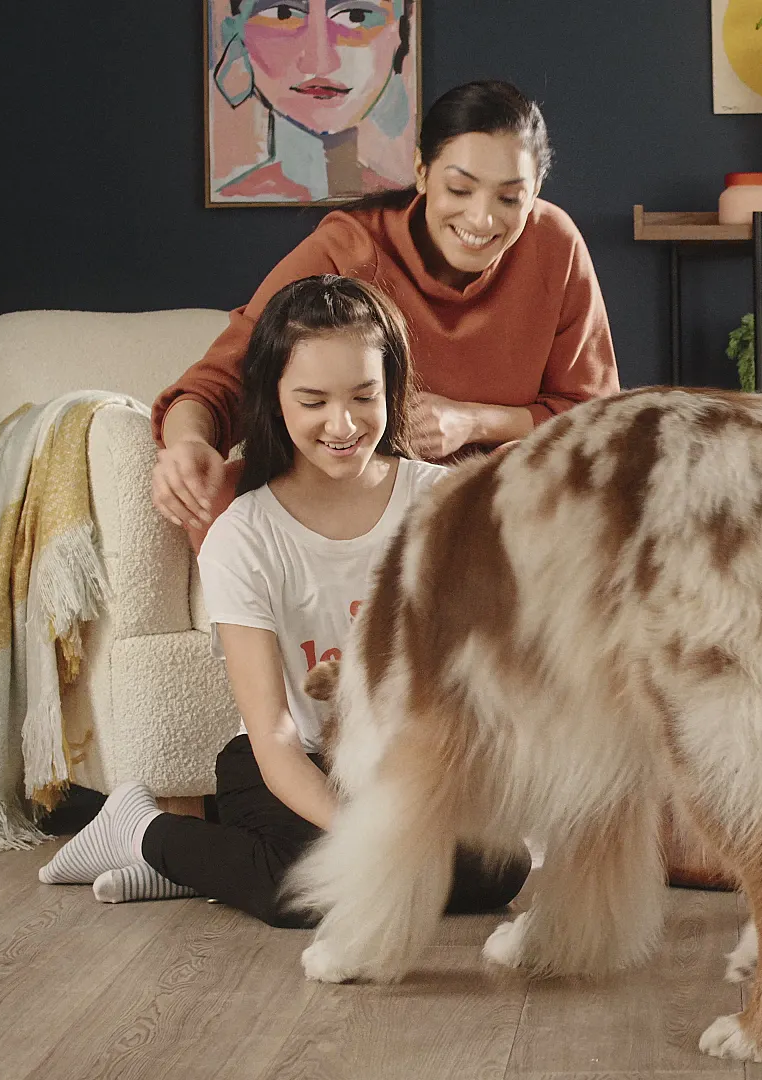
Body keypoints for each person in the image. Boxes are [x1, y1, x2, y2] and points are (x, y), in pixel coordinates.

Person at [39, 275, 528, 925]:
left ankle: (197, 867)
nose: (343, 423)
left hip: (404, 764)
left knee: (501, 869)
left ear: (393, 391)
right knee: (298, 893)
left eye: (364, 395)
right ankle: (140, 831)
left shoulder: (442, 503)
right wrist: (366, 830)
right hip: (290, 763)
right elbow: (271, 736)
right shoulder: (245, 534)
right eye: (313, 401)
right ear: (274, 400)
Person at [156, 79, 620, 546]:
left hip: (497, 501)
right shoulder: (349, 250)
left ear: (535, 189)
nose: (482, 220)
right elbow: (220, 383)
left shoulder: (554, 245)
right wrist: (190, 444)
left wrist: (471, 421)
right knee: (221, 505)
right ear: (422, 172)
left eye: (509, 198)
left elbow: (596, 416)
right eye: (460, 189)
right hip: (355, 488)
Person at [209, 0, 418, 201]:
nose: (319, 62)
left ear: (400, 34)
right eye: (283, 14)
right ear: (238, 35)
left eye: (357, 16)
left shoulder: (400, 207)